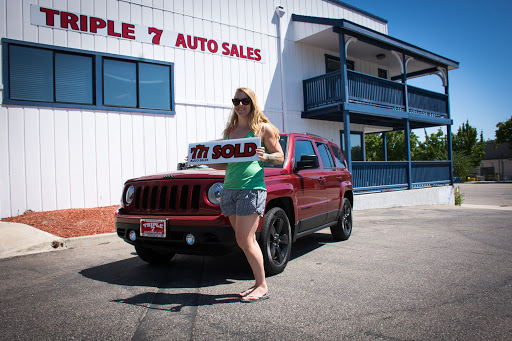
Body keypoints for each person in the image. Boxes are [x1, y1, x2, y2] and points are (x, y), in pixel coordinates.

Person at [209, 87, 284, 302]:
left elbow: (280, 156)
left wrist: (265, 157)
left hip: (251, 189)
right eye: (236, 101)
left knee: (246, 239)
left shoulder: (263, 129)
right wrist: (202, 159)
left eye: (245, 100)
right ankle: (257, 284)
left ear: (252, 102)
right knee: (243, 241)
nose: (240, 104)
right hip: (229, 189)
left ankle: (262, 286)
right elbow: (224, 165)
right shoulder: (230, 133)